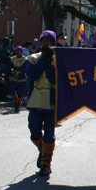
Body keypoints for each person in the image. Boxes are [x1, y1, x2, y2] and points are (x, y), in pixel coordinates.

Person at [27, 31, 57, 176]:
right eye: (43, 40)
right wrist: (41, 61)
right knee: (33, 130)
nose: (45, 43)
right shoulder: (32, 58)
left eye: (48, 40)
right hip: (36, 98)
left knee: (49, 134)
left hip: (52, 99)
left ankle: (46, 164)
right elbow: (31, 76)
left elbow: (56, 80)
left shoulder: (59, 59)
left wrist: (50, 64)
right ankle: (41, 150)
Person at [9, 46, 28, 112]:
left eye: (19, 51)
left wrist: (19, 68)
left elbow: (26, 69)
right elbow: (10, 67)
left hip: (21, 78)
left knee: (20, 93)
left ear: (22, 51)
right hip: (14, 77)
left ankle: (18, 105)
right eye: (17, 51)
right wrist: (11, 71)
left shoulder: (25, 59)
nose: (18, 52)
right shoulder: (12, 59)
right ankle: (16, 100)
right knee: (12, 91)